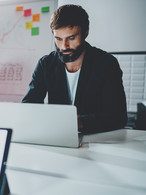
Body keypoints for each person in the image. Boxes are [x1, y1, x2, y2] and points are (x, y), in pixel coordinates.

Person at [22, 4, 127, 134]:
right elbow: (29, 106)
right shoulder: (46, 64)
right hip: (57, 137)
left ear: (85, 32)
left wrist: (80, 123)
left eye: (71, 38)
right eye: (58, 39)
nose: (64, 46)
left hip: (97, 141)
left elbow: (118, 117)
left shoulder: (106, 64)